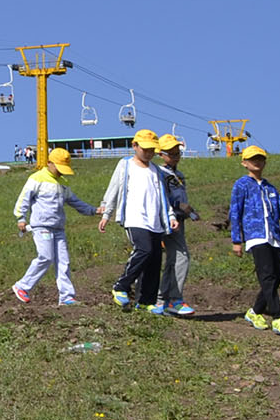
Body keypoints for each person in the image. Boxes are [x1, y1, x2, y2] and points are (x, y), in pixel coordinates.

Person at [98, 129, 175, 315]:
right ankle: (121, 286)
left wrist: (170, 216)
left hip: (155, 221)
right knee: (144, 250)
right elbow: (114, 188)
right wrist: (106, 213)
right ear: (135, 146)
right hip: (134, 218)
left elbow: (163, 197)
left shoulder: (156, 170)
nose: (148, 153)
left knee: (155, 259)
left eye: (152, 150)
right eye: (145, 149)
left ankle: (145, 301)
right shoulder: (125, 165)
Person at [12, 148, 98, 305]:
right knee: (46, 257)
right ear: (49, 163)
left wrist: (94, 211)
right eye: (58, 168)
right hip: (42, 226)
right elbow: (23, 198)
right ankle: (22, 286)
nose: (61, 172)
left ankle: (66, 297)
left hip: (58, 228)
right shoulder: (37, 178)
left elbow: (75, 202)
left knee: (63, 262)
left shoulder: (63, 184)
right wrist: (21, 218)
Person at [227, 146, 280, 335]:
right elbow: (235, 212)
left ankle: (255, 311)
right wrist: (236, 240)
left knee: (276, 276)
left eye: (260, 159)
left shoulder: (269, 187)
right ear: (244, 162)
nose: (257, 162)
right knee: (267, 276)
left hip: (274, 237)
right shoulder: (241, 185)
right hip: (256, 236)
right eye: (252, 159)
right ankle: (277, 316)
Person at [156, 135, 201, 316]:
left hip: (179, 221)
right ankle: (175, 298)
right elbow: (162, 199)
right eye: (171, 153)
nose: (175, 156)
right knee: (182, 257)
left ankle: (162, 300)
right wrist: (176, 208)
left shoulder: (178, 175)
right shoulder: (160, 173)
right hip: (167, 220)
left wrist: (188, 211)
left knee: (173, 260)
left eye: (177, 152)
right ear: (161, 154)